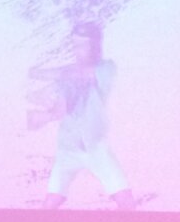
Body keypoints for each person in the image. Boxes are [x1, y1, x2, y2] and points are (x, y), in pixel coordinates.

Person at [28, 21, 135, 210]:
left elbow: (74, 73)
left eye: (84, 44)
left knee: (126, 201)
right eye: (75, 44)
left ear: (96, 46)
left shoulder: (107, 68)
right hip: (68, 150)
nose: (78, 50)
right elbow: (57, 109)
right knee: (49, 205)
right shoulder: (65, 79)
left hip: (96, 148)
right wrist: (41, 114)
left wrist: (36, 73)